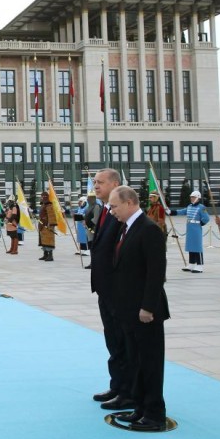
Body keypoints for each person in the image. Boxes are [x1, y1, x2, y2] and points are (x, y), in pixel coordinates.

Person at [107, 186, 170, 432]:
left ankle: (155, 415)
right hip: (129, 311)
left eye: (114, 206)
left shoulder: (149, 229)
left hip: (146, 312)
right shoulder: (128, 227)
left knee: (151, 364)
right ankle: (141, 408)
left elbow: (156, 273)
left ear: (130, 202)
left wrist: (147, 307)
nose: (112, 212)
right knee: (137, 362)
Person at [88, 168, 133, 411]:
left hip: (117, 290)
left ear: (114, 183)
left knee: (122, 341)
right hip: (105, 289)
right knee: (112, 340)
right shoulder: (104, 209)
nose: (95, 186)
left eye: (100, 182)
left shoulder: (120, 214)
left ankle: (127, 391)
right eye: (95, 182)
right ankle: (117, 386)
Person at [166, 191, 210, 272]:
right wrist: (171, 212)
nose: (191, 198)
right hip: (190, 228)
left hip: (196, 228)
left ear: (197, 198)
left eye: (193, 197)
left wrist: (201, 223)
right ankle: (191, 263)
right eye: (191, 197)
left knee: (197, 246)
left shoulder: (201, 207)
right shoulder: (189, 206)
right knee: (190, 246)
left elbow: (206, 218)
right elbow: (181, 211)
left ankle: (200, 265)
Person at [37, 192, 56, 262]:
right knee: (43, 240)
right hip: (42, 225)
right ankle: (45, 254)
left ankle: (50, 256)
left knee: (49, 240)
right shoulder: (43, 205)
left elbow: (51, 215)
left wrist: (51, 224)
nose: (40, 198)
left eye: (41, 197)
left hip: (47, 225)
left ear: (45, 197)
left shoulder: (49, 205)